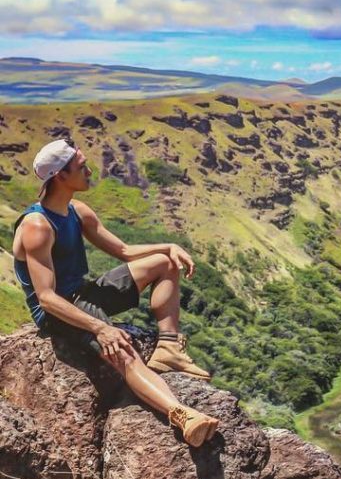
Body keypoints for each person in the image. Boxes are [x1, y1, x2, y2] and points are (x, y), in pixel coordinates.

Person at [11, 138, 219, 447]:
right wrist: (100, 327)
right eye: (82, 167)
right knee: (121, 349)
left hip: (82, 292)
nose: (90, 171)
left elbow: (124, 250)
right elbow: (46, 298)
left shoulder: (77, 211)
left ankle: (169, 348)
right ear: (61, 176)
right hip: (58, 311)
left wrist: (169, 246)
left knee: (164, 264)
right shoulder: (38, 226)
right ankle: (183, 416)